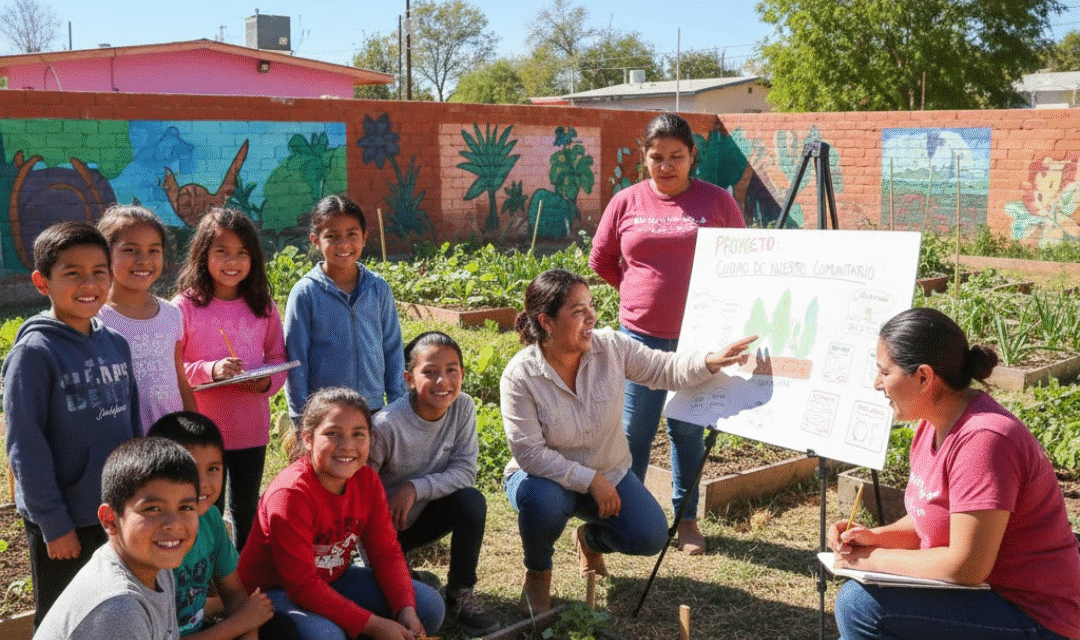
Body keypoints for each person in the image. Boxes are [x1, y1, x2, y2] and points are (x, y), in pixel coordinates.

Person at [501, 269, 756, 613]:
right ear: (546, 322)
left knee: (650, 535)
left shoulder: (610, 347)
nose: (591, 316)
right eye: (578, 311)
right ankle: (538, 575)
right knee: (542, 499)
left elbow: (663, 368)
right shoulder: (520, 376)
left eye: (590, 306)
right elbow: (530, 453)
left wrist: (710, 361)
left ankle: (589, 540)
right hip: (544, 478)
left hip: (608, 473)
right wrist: (591, 480)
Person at [827, 307, 1080, 640]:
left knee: (860, 605)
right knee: (861, 602)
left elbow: (966, 567)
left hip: (1037, 615)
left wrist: (872, 560)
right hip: (988, 597)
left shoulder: (984, 440)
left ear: (923, 377)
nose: (877, 384)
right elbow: (932, 520)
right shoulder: (932, 426)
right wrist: (876, 537)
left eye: (884, 372)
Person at [589, 112, 747, 555]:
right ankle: (628, 516)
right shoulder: (626, 202)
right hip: (639, 338)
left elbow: (742, 259)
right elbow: (601, 259)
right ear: (644, 158)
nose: (666, 166)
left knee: (687, 431)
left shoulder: (717, 202)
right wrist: (636, 293)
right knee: (634, 432)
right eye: (656, 157)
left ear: (692, 156)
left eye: (676, 156)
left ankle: (687, 519)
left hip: (700, 340)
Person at [2, 221, 139, 627]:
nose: (88, 283)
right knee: (64, 620)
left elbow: (130, 426)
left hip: (112, 512)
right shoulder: (34, 353)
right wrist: (54, 522)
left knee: (111, 609)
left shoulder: (116, 343)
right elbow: (25, 445)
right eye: (72, 273)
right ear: (42, 282)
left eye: (99, 271)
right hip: (66, 521)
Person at [237, 386, 445, 640]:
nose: (347, 446)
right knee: (327, 637)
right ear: (308, 438)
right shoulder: (291, 494)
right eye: (332, 434)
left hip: (332, 579)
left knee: (429, 608)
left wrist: (405, 610)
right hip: (274, 593)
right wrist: (375, 625)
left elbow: (385, 552)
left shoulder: (367, 480)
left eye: (358, 434)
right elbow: (302, 586)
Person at [369, 331, 499, 636]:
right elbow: (362, 493)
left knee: (471, 501)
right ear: (409, 378)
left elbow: (465, 470)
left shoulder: (462, 407)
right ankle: (399, 572)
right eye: (429, 372)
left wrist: (414, 488)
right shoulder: (387, 425)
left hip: (423, 516)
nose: (443, 382)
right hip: (384, 532)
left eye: (451, 370)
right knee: (407, 603)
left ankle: (460, 593)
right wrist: (374, 551)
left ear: (462, 374)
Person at [173, 208, 288, 551]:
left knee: (246, 508)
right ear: (203, 254)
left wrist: (265, 383)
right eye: (221, 251)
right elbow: (173, 364)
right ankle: (206, 580)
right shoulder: (185, 306)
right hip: (203, 431)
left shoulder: (263, 306)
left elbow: (278, 357)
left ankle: (244, 576)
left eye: (242, 253)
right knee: (206, 508)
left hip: (251, 427)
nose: (232, 261)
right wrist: (211, 369)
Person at [148, 411, 301, 640]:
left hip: (204, 630)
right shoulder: (149, 535)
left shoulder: (210, 519)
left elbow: (235, 594)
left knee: (282, 627)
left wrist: (247, 630)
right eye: (189, 468)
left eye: (213, 469)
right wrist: (238, 624)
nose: (203, 483)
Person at [34, 437, 200, 640]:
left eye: (186, 507)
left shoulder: (157, 569)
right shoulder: (120, 607)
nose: (174, 523)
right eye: (153, 509)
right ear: (110, 520)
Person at [283, 194, 407, 426]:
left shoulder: (378, 289)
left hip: (373, 409)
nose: (343, 244)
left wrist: (397, 405)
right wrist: (300, 419)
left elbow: (392, 349)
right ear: (315, 240)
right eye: (332, 236)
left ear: (364, 237)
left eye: (352, 234)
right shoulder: (305, 293)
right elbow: (295, 361)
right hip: (325, 413)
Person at [97, 204, 197, 435]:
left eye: (154, 250)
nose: (144, 260)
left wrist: (195, 429)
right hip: (123, 442)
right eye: (131, 250)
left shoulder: (171, 313)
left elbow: (180, 378)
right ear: (105, 254)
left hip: (172, 435)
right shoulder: (97, 319)